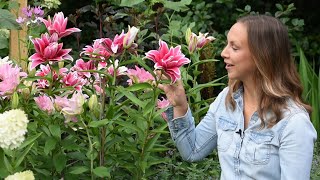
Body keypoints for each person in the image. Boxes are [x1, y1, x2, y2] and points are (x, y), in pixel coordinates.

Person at [158, 14, 317, 180]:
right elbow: (192, 151)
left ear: (262, 56)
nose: (223, 53)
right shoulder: (227, 100)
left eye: (235, 48)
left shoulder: (293, 122)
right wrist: (180, 106)